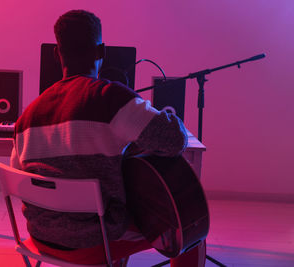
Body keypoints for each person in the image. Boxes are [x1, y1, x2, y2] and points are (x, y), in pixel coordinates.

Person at [11, 9, 206, 267]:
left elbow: (19, 177)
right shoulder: (111, 99)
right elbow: (174, 140)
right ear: (101, 52)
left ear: (57, 53)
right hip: (97, 240)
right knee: (188, 225)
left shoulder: (27, 117)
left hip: (41, 238)